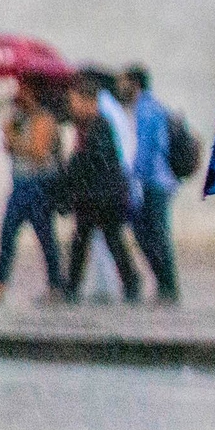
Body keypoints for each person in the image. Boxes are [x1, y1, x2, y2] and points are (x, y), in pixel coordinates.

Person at [0, 75, 66, 303]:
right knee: (8, 234)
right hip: (20, 183)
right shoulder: (19, 119)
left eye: (23, 90)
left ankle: (56, 285)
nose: (18, 95)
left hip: (39, 184)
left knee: (45, 236)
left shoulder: (45, 119)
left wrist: (14, 139)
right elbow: (9, 148)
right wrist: (10, 135)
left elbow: (38, 152)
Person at [60, 72, 140, 303]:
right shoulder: (87, 126)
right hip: (92, 197)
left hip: (103, 197)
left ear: (89, 101)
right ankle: (72, 286)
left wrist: (75, 164)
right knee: (83, 241)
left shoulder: (100, 126)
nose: (72, 106)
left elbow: (98, 163)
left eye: (75, 100)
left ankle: (131, 282)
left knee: (109, 241)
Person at [117, 65, 180, 304]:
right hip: (161, 182)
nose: (120, 87)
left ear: (134, 83)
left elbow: (146, 151)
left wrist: (132, 177)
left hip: (154, 183)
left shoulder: (145, 110)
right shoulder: (153, 106)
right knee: (154, 234)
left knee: (152, 235)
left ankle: (167, 287)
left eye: (124, 82)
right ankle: (166, 286)